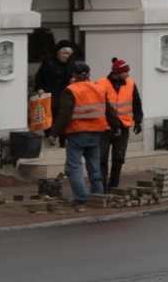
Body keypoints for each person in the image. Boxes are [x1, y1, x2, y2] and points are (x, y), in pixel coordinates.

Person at [49, 60, 116, 206]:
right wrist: (116, 127)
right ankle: (98, 195)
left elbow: (64, 114)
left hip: (77, 133)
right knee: (94, 166)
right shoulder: (99, 88)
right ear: (89, 74)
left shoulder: (71, 90)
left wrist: (54, 133)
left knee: (73, 167)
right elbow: (109, 110)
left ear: (74, 75)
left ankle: (81, 198)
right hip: (96, 133)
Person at [94, 58, 143, 190]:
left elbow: (137, 103)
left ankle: (114, 185)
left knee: (119, 158)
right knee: (102, 159)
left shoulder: (131, 84)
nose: (128, 74)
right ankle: (101, 187)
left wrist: (138, 121)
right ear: (117, 72)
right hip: (105, 127)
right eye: (125, 71)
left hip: (123, 126)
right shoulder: (100, 83)